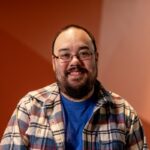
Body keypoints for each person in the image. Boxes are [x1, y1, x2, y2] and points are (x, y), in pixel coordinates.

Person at [0, 24, 149, 150]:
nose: (75, 62)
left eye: (84, 53)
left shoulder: (124, 113)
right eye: (65, 55)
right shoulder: (30, 107)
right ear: (54, 62)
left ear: (96, 58)